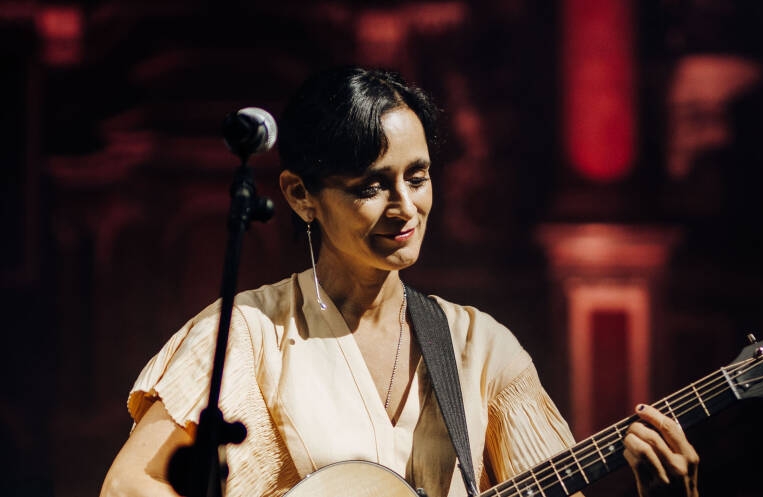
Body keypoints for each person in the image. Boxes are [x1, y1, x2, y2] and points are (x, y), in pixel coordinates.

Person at [100, 66, 699, 497]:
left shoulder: (482, 351)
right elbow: (129, 487)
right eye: (370, 186)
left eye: (418, 176)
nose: (404, 206)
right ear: (300, 196)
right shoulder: (249, 336)